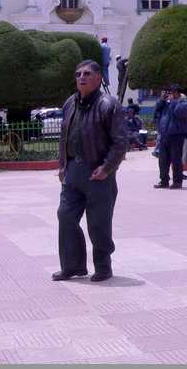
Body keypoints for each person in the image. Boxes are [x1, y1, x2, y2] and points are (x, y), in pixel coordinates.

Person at [55, 60, 127, 283]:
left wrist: (107, 168)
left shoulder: (109, 105)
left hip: (98, 174)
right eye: (78, 74)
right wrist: (62, 165)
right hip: (73, 172)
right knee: (65, 216)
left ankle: (103, 267)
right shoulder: (70, 103)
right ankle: (73, 266)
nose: (81, 77)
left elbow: (121, 142)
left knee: (98, 224)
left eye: (87, 73)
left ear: (98, 78)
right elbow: (64, 136)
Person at [153, 84, 187, 189]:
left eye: (173, 92)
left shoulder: (183, 102)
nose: (170, 94)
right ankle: (164, 181)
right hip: (164, 135)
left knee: (176, 159)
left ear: (178, 93)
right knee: (163, 160)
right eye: (169, 92)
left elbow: (179, 113)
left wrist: (173, 101)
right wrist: (161, 100)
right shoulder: (165, 103)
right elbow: (156, 111)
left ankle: (177, 182)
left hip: (176, 135)